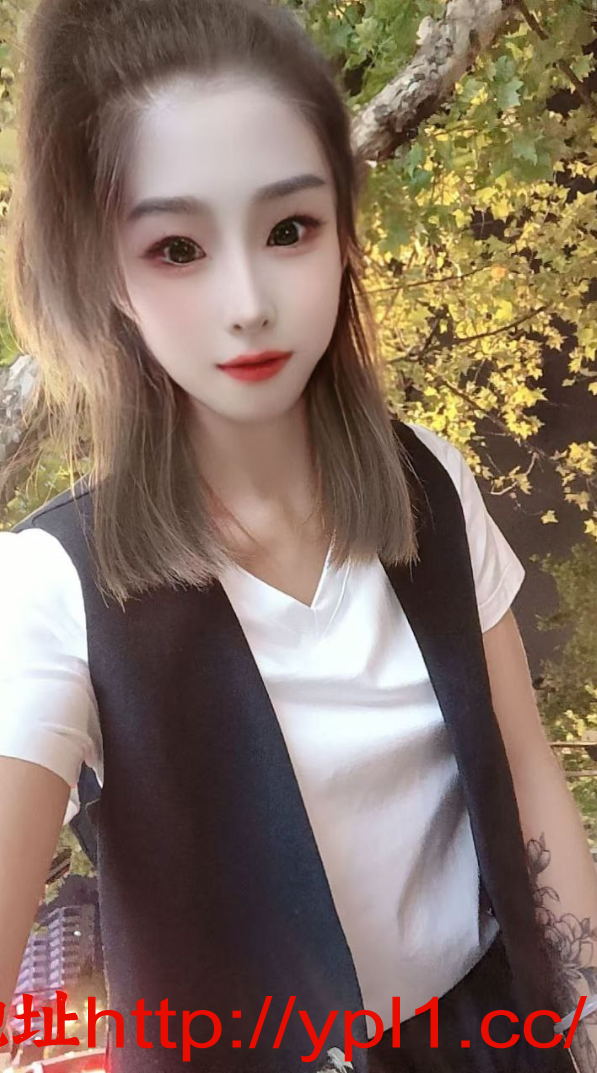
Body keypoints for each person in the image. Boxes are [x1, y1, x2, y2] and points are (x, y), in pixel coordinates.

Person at [0, 1, 596, 1071]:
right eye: (177, 247)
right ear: (108, 273)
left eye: (289, 229)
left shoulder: (429, 482)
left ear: (343, 231)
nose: (249, 303)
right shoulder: (54, 589)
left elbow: (526, 777)